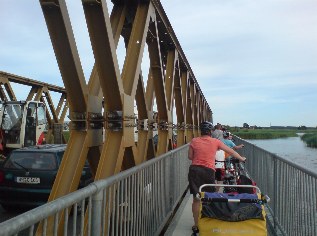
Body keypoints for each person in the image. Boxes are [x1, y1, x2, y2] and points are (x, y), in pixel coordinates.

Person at [188, 121, 246, 234]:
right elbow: (231, 151)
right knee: (209, 197)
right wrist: (241, 158)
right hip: (208, 171)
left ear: (201, 131)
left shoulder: (194, 141)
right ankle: (209, 222)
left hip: (194, 170)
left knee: (196, 199)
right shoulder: (215, 142)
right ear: (210, 132)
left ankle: (196, 225)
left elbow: (190, 156)